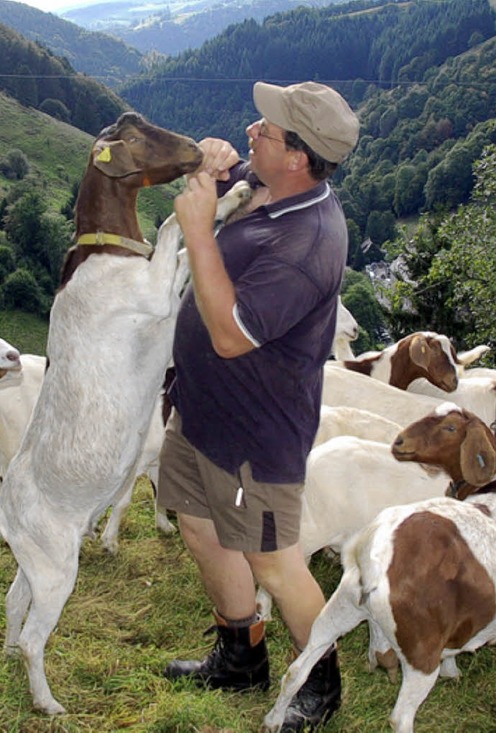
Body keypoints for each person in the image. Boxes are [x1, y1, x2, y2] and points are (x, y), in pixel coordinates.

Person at [158, 80, 359, 731]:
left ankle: (320, 680)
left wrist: (199, 232)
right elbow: (232, 172)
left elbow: (229, 331)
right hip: (204, 411)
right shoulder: (272, 186)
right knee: (197, 522)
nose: (251, 129)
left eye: (264, 129)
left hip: (255, 438)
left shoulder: (310, 244)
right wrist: (214, 162)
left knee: (274, 559)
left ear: (299, 156)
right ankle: (240, 655)